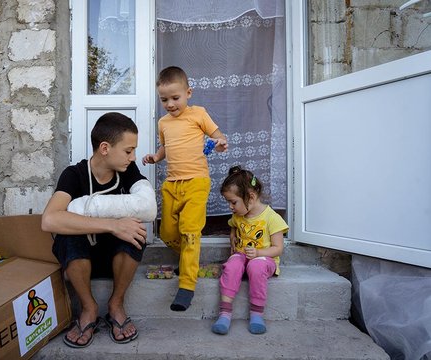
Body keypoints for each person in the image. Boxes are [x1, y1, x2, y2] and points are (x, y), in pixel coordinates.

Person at [41, 112, 157, 348]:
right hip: (81, 259)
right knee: (66, 235)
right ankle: (89, 307)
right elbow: (49, 220)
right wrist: (113, 225)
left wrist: (122, 228)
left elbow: (147, 206)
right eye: (128, 150)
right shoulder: (74, 175)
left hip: (116, 258)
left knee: (136, 231)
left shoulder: (128, 172)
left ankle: (116, 304)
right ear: (105, 148)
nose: (133, 157)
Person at [142, 66, 228, 311]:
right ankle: (188, 256)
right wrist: (155, 157)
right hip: (172, 184)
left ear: (188, 93)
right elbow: (165, 147)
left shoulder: (198, 114)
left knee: (190, 232)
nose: (170, 104)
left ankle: (187, 285)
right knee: (168, 232)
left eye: (175, 98)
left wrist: (220, 143)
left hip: (197, 182)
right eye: (164, 100)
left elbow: (217, 135)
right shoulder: (163, 123)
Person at [211, 165, 288, 335]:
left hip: (264, 259)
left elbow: (278, 248)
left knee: (256, 266)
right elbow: (233, 225)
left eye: (233, 202)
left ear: (251, 197)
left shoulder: (271, 217)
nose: (231, 207)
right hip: (242, 255)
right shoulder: (238, 215)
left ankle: (256, 314)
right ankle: (225, 313)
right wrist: (232, 235)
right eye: (228, 202)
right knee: (231, 266)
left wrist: (259, 253)